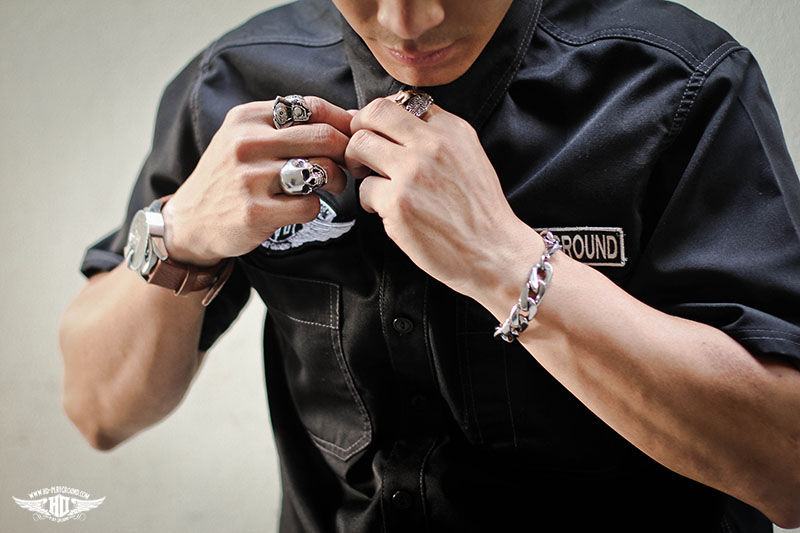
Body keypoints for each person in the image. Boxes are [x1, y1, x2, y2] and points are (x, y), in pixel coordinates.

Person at [58, 0, 800, 530]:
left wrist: (504, 262)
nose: (410, 21)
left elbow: (789, 468)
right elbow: (97, 410)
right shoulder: (236, 83)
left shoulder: (677, 84)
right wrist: (181, 232)